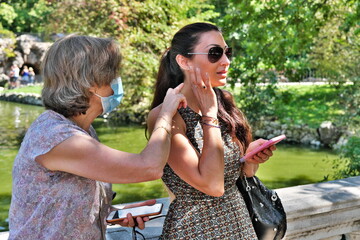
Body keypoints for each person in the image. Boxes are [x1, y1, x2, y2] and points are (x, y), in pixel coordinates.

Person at [8, 35, 186, 240]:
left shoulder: (81, 130)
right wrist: (165, 114)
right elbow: (149, 167)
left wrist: (112, 214)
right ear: (92, 82)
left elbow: (63, 206)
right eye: (113, 75)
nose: (117, 82)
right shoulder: (56, 137)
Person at [147, 22, 276, 239]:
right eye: (215, 53)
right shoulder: (166, 116)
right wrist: (209, 115)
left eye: (227, 52)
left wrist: (251, 159)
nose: (226, 61)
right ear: (184, 61)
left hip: (239, 223)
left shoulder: (223, 101)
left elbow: (238, 177)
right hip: (195, 228)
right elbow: (212, 185)